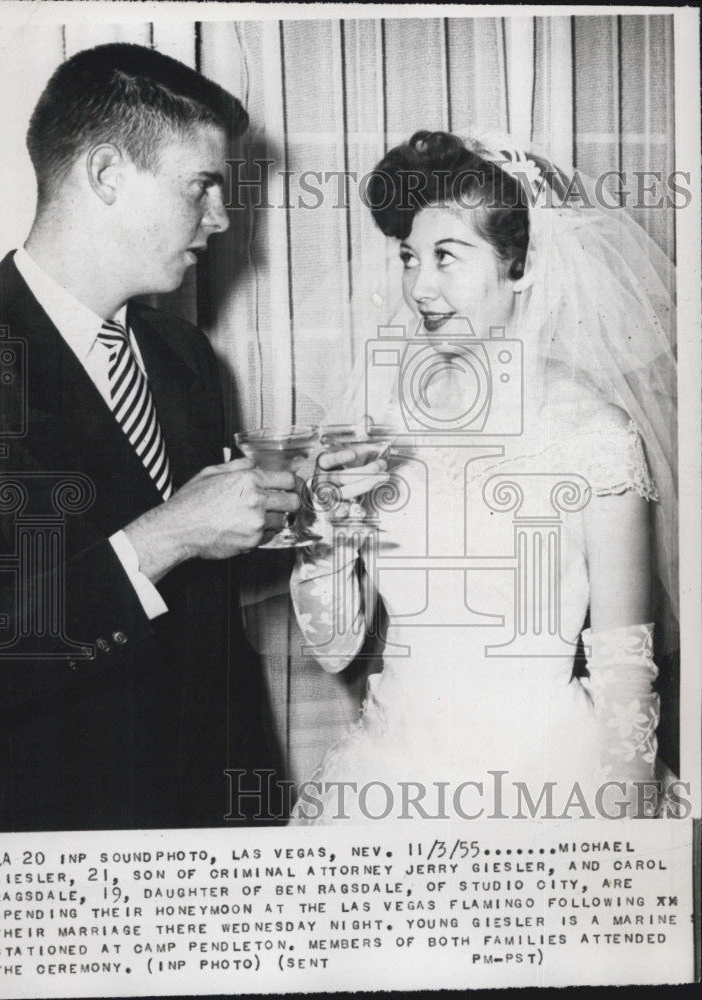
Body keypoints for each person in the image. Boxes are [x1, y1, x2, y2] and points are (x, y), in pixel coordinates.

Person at [0, 43, 300, 832]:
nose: (221, 218)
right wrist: (162, 537)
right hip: (49, 854)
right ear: (107, 175)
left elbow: (212, 636)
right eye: (202, 186)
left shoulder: (184, 357)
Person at [289, 131, 679, 823]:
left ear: (521, 266)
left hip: (550, 784)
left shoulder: (593, 433)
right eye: (409, 257)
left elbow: (624, 665)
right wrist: (327, 534)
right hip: (386, 783)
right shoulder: (381, 420)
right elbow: (333, 646)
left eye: (446, 257)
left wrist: (630, 839)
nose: (418, 287)